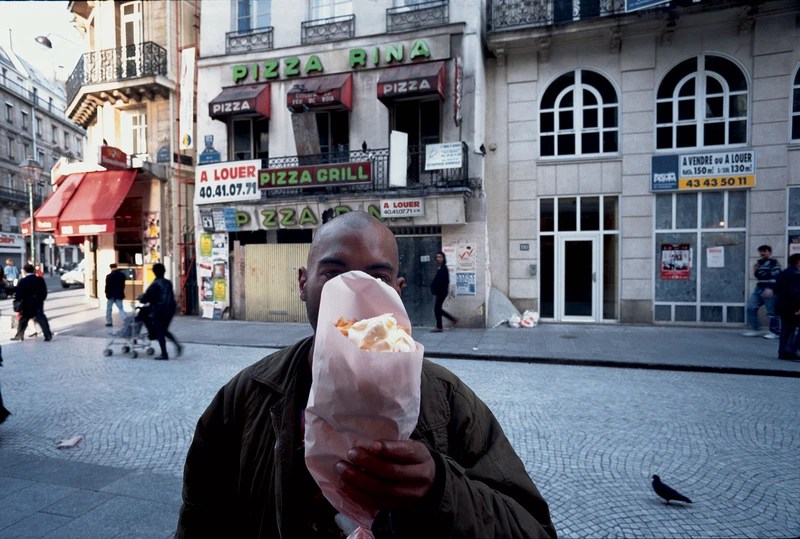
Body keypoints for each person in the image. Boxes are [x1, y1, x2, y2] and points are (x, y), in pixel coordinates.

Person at [175, 212, 557, 538]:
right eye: (334, 274)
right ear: (303, 284)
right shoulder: (243, 400)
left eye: (378, 278)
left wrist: (441, 488)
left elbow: (532, 528)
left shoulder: (448, 402)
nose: (356, 293)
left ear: (398, 291)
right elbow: (200, 522)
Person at [138, 263, 180, 360]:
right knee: (163, 330)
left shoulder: (155, 284)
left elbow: (146, 298)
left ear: (154, 272)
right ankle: (177, 345)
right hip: (170, 309)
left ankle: (164, 353)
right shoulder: (168, 283)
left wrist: (140, 298)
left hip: (159, 310)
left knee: (159, 330)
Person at [743, 245, 781, 339]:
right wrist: (756, 270)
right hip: (759, 288)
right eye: (761, 251)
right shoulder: (759, 263)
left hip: (769, 288)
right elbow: (759, 276)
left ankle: (775, 332)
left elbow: (777, 276)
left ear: (770, 252)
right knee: (750, 307)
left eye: (764, 251)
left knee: (771, 312)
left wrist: (770, 288)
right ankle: (755, 329)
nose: (762, 253)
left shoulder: (773, 262)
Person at [11, 264, 52, 342]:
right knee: (41, 319)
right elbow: (44, 292)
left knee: (23, 320)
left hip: (26, 304)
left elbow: (19, 293)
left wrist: (18, 301)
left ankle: (19, 336)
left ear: (25, 271)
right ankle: (48, 335)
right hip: (38, 303)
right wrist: (41, 299)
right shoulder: (40, 279)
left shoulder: (23, 281)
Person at [774, 253, 800, 360]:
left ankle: (783, 352)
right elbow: (795, 293)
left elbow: (776, 290)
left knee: (786, 329)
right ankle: (791, 351)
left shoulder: (782, 273)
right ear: (798, 262)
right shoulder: (796, 274)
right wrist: (798, 308)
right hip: (792, 306)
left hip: (782, 306)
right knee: (791, 329)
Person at [429, 250, 457, 333]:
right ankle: (452, 319)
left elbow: (443, 281)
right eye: (437, 257)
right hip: (440, 291)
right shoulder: (440, 267)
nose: (438, 258)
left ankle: (440, 326)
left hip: (441, 291)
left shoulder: (443, 268)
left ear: (443, 258)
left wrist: (436, 287)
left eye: (440, 257)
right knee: (438, 309)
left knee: (437, 309)